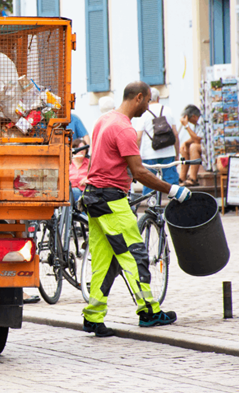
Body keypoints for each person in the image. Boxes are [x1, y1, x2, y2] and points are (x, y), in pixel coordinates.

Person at [80, 82, 191, 337]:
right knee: (135, 255)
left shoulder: (104, 120)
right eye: (148, 100)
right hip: (111, 201)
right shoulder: (124, 129)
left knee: (104, 261)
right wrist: (173, 189)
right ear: (138, 98)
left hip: (94, 198)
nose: (149, 106)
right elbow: (139, 173)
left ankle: (93, 318)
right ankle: (149, 312)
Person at [132, 88, 180, 195]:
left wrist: (136, 156)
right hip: (168, 152)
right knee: (172, 182)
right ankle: (175, 204)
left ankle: (149, 207)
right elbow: (175, 134)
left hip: (148, 154)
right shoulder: (167, 110)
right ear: (158, 98)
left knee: (148, 182)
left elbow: (138, 137)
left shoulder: (144, 112)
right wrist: (177, 154)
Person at [178, 104, 204, 186]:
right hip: (202, 145)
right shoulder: (197, 125)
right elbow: (195, 136)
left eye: (189, 120)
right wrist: (186, 143)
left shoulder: (202, 122)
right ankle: (182, 178)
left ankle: (193, 178)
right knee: (184, 148)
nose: (189, 122)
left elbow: (197, 139)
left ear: (194, 117)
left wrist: (186, 126)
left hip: (207, 148)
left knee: (194, 147)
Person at [69, 138, 89, 204]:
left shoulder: (90, 163)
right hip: (69, 192)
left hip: (86, 192)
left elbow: (97, 175)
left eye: (83, 149)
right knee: (74, 191)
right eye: (79, 149)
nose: (81, 151)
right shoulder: (67, 163)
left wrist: (88, 178)